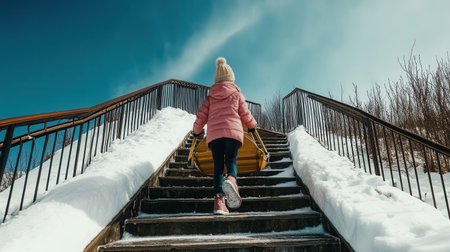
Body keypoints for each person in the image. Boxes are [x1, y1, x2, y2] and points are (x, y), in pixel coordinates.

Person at [193, 57, 257, 215]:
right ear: (231, 79)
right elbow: (245, 114)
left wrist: (196, 131)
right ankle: (232, 180)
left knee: (217, 167)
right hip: (232, 133)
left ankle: (219, 203)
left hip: (214, 136)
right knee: (231, 160)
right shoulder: (236, 94)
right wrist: (252, 126)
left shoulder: (210, 97)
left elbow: (201, 116)